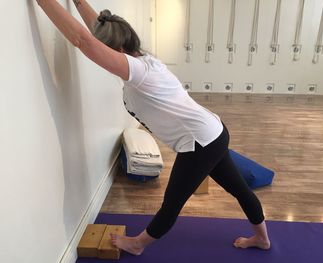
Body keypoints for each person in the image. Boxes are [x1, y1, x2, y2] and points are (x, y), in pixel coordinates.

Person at [36, 0, 271, 256]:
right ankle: (262, 239)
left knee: (171, 204)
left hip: (199, 143)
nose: (107, 58)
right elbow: (98, 32)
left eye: (109, 52)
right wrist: (79, 2)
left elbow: (84, 41)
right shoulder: (145, 59)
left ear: (120, 48)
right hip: (213, 131)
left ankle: (137, 244)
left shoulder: (138, 71)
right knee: (238, 188)